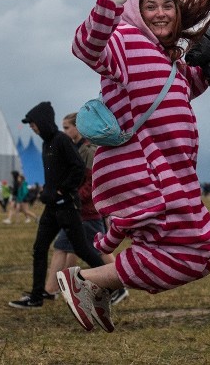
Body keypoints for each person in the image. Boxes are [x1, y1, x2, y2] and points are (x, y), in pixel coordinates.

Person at [64, 0, 210, 332]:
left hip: (171, 171)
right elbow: (86, 48)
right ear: (136, 11)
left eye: (168, 5)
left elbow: (178, 91)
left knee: (202, 250)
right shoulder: (125, 40)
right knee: (193, 250)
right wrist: (109, 4)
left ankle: (95, 284)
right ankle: (90, 281)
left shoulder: (165, 56)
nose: (161, 13)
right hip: (144, 170)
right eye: (150, 6)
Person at [8, 101, 106, 310]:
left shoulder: (61, 140)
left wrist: (64, 190)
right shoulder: (46, 143)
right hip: (52, 207)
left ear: (42, 122)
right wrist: (49, 192)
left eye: (33, 123)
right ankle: (36, 296)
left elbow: (78, 167)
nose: (31, 127)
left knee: (82, 249)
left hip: (67, 206)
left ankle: (113, 284)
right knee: (39, 248)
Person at [44, 113, 129, 305]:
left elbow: (91, 183)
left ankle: (120, 285)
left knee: (99, 250)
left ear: (77, 128)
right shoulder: (77, 148)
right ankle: (51, 290)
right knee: (63, 248)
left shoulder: (89, 150)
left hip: (87, 210)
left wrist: (71, 195)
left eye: (67, 128)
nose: (63, 132)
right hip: (79, 209)